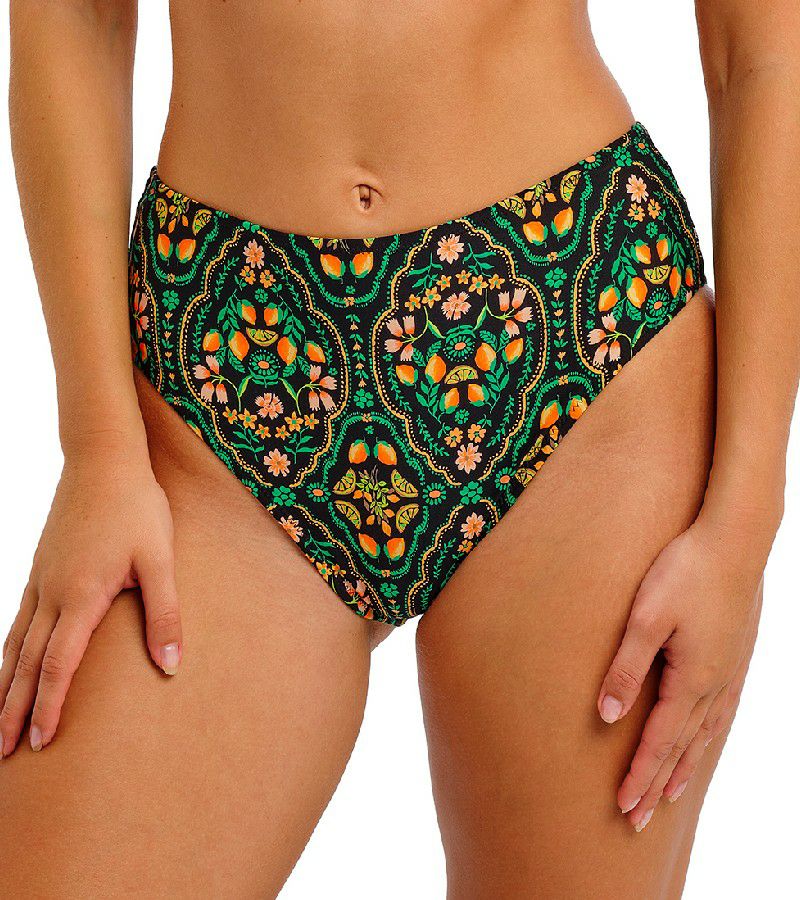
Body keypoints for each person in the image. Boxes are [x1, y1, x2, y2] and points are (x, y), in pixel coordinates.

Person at [1, 1, 796, 896]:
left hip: (576, 330)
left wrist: (744, 525)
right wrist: (99, 448)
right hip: (227, 355)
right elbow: (75, 17)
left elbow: (763, 53)